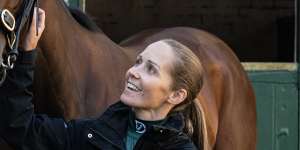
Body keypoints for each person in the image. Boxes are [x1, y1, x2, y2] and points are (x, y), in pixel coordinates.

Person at [0, 7, 208, 150]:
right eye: (138, 62)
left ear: (176, 95)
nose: (133, 71)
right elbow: (20, 128)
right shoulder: (93, 133)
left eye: (151, 69)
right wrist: (27, 55)